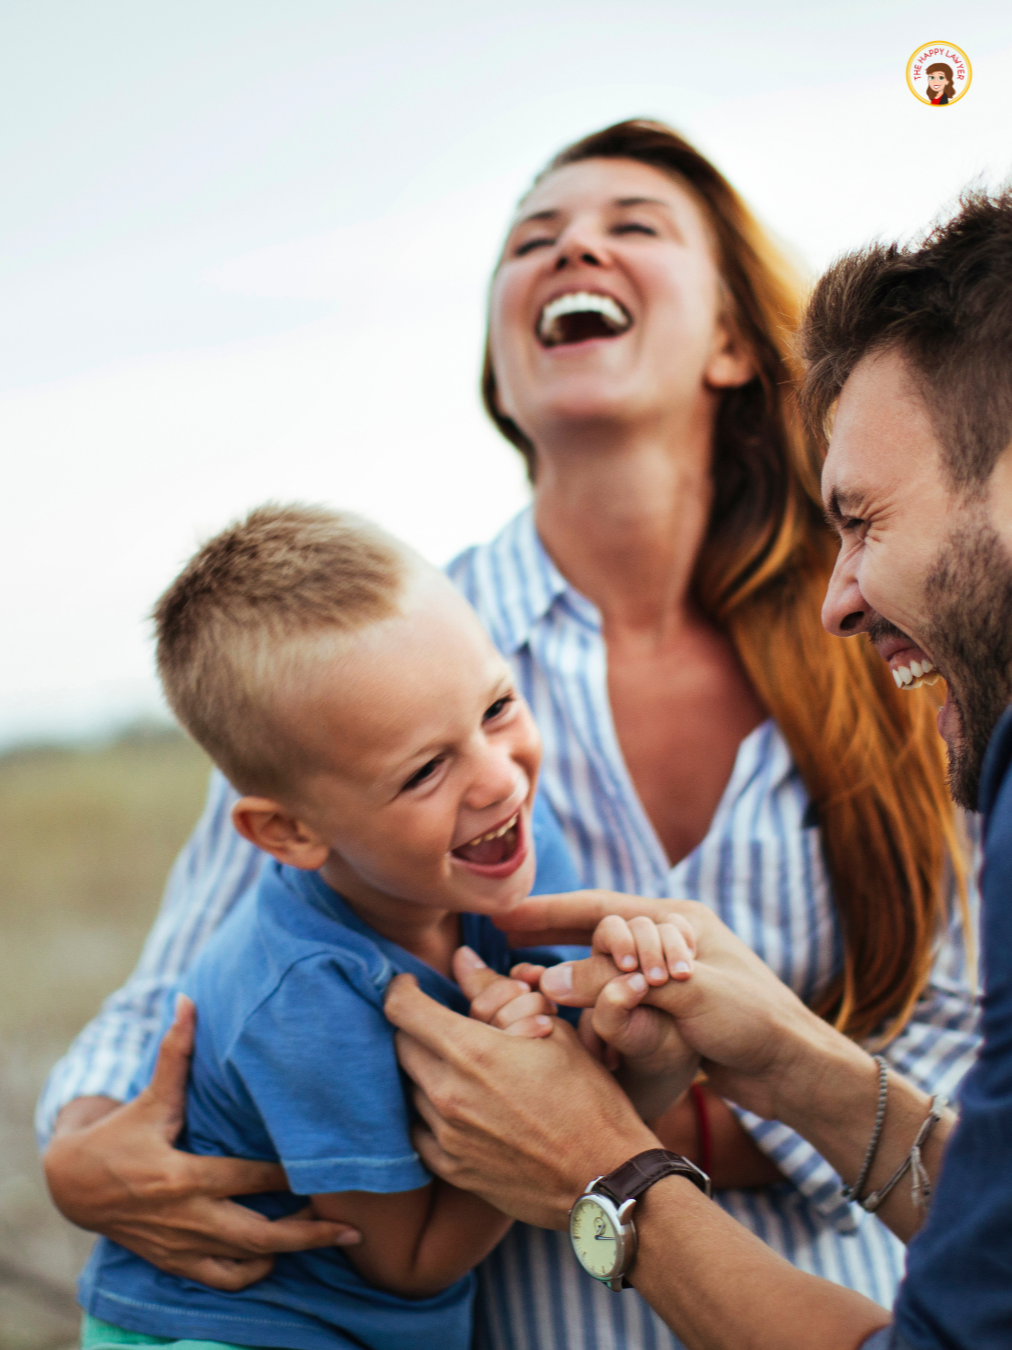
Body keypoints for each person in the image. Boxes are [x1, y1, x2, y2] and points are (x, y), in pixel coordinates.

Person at [39, 121, 978, 1347]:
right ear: (502, 360)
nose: (571, 243)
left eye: (630, 226)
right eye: (530, 239)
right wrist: (80, 1146)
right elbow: (187, 981)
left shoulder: (885, 627)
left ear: (737, 342)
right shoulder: (360, 663)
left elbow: (963, 1031)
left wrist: (620, 1114)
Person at [384, 187, 1012, 1349]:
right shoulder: (387, 649)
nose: (838, 596)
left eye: (864, 521)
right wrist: (791, 1058)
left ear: (732, 341)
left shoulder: (937, 709)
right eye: (528, 235)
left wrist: (606, 1162)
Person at [80, 501, 653, 1349]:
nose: (499, 779)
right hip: (224, 1324)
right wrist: (542, 1093)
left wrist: (642, 967)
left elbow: (601, 1026)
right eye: (425, 770)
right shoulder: (304, 992)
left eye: (496, 708)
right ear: (291, 833)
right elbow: (410, 1261)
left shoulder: (511, 837)